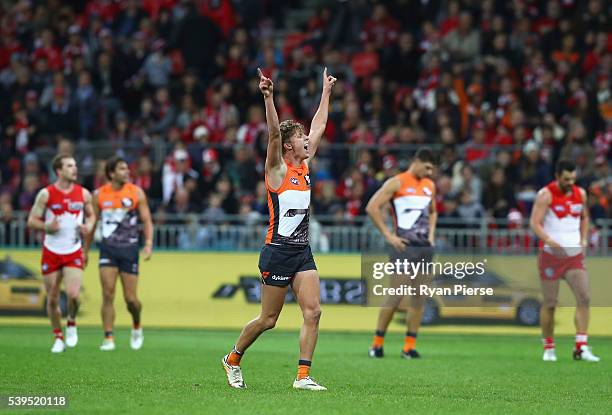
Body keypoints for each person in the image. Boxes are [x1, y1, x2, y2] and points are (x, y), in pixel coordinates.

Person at [222, 67, 336, 390]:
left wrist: (326, 93)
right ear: (289, 146)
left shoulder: (304, 165)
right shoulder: (276, 170)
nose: (307, 141)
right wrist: (268, 97)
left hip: (301, 251)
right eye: (301, 139)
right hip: (277, 251)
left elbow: (320, 124)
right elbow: (273, 134)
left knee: (313, 312)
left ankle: (303, 376)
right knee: (268, 320)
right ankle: (233, 358)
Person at [366, 148, 438, 359]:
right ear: (417, 162)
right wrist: (389, 236)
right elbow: (372, 207)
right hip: (403, 247)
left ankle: (409, 346)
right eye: (427, 167)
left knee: (418, 298)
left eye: (432, 168)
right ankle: (377, 343)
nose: (430, 172)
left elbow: (433, 212)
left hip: (424, 248)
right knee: (396, 295)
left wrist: (431, 236)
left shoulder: (429, 185)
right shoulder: (397, 182)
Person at [529, 159, 599, 362]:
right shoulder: (546, 194)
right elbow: (534, 222)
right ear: (557, 176)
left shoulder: (581, 194)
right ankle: (549, 346)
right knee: (550, 303)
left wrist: (584, 238)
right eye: (566, 179)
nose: (570, 182)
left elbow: (585, 217)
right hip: (551, 256)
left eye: (573, 178)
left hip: (574, 255)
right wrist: (550, 241)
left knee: (584, 297)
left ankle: (581, 346)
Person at [84, 156, 154, 351]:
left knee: (131, 299)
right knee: (107, 294)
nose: (127, 172)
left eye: (127, 168)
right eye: (122, 169)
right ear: (111, 173)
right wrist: (85, 250)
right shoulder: (99, 195)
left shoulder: (136, 193)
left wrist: (148, 243)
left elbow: (147, 220)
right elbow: (92, 224)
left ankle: (137, 324)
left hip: (130, 249)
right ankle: (108, 337)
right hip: (108, 249)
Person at [27, 154, 95, 353]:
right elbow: (32, 220)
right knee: (53, 298)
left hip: (73, 250)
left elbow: (91, 216)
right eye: (69, 166)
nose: (74, 169)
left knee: (73, 295)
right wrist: (47, 226)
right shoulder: (46, 194)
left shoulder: (83, 194)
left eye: (75, 165)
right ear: (59, 171)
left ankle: (71, 321)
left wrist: (88, 227)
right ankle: (58, 336)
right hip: (52, 251)